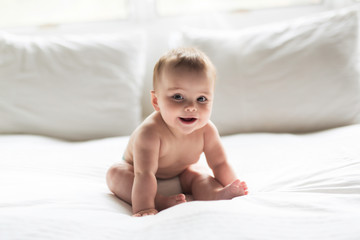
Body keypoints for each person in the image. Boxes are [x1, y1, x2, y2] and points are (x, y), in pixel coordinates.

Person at [106, 47, 248, 217]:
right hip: (137, 171)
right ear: (156, 101)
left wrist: (233, 184)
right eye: (178, 97)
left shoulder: (206, 130)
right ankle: (160, 201)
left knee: (200, 176)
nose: (191, 107)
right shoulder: (149, 132)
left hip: (181, 171)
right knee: (115, 174)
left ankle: (218, 195)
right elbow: (144, 173)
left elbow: (220, 164)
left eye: (201, 99)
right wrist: (144, 207)